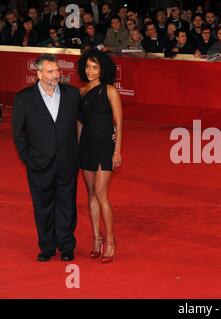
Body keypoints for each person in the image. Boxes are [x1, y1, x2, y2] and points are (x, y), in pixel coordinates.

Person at [12, 54, 81, 262]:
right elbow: (19, 133)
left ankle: (66, 245)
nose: (56, 75)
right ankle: (47, 246)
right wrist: (28, 158)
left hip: (67, 161)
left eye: (57, 70)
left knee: (67, 204)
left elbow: (84, 122)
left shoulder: (72, 94)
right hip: (39, 163)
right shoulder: (24, 98)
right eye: (50, 71)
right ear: (39, 73)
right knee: (42, 206)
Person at [77, 49, 123, 264]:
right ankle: (96, 238)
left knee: (101, 193)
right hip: (86, 145)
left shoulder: (110, 90)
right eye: (87, 66)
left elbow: (119, 123)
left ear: (103, 69)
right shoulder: (82, 92)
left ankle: (110, 241)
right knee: (90, 194)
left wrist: (117, 151)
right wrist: (77, 147)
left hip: (106, 145)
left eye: (95, 67)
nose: (90, 70)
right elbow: (79, 123)